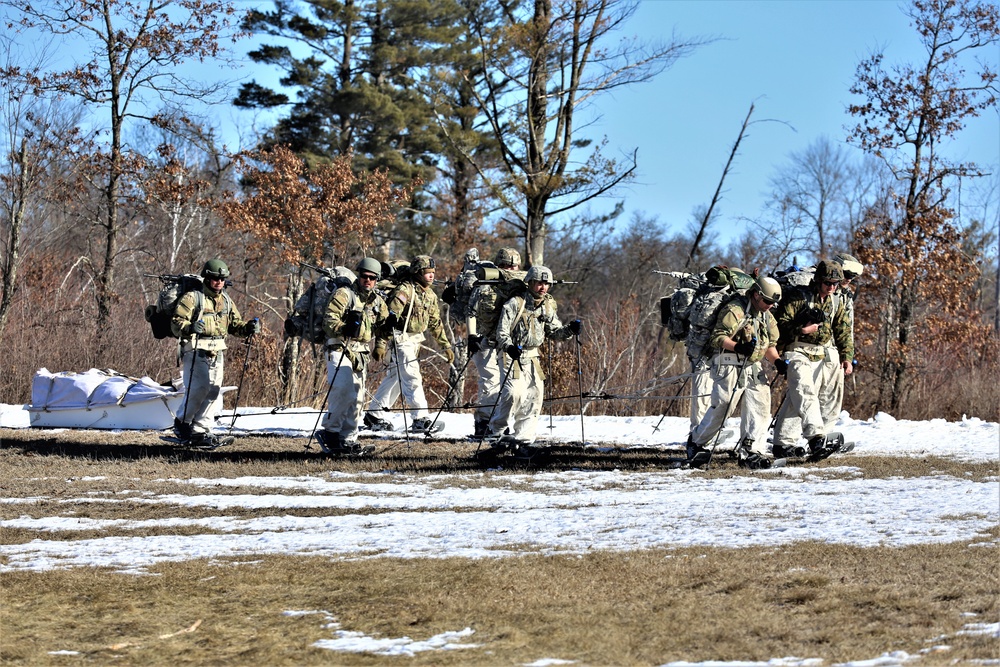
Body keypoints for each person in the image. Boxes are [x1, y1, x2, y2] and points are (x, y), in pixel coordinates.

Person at [686, 276, 784, 469]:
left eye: (773, 303)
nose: (770, 306)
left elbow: (770, 345)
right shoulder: (735, 310)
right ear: (756, 295)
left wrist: (778, 362)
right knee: (723, 406)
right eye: (767, 301)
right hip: (728, 361)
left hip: (752, 365)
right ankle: (696, 442)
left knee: (761, 405)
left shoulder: (766, 315)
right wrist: (738, 347)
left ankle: (751, 452)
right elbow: (718, 338)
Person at [486, 265, 580, 451]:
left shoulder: (546, 306)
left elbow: (554, 332)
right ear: (530, 283)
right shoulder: (515, 303)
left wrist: (570, 330)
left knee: (534, 396)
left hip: (533, 356)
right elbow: (501, 332)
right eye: (539, 283)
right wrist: (509, 346)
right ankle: (497, 430)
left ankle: (523, 437)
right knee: (514, 393)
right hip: (511, 355)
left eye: (546, 284)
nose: (543, 287)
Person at [771, 259, 855, 460]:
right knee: (803, 391)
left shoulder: (836, 300)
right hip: (797, 349)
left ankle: (784, 442)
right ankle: (816, 438)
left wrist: (847, 357)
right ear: (818, 281)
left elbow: (842, 329)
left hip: (824, 352)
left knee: (820, 397)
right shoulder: (798, 297)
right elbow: (779, 325)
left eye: (836, 283)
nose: (832, 287)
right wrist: (801, 329)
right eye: (828, 283)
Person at [171, 259, 259, 447]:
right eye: (215, 278)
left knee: (213, 392)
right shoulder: (193, 298)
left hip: (217, 351)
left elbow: (235, 325)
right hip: (195, 349)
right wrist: (190, 327)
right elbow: (176, 323)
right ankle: (182, 423)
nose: (219, 282)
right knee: (198, 388)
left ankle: (200, 431)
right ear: (207, 278)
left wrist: (248, 327)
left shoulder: (226, 300)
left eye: (222, 279)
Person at [365, 254, 455, 433]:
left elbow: (435, 323)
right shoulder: (404, 291)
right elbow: (387, 320)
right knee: (412, 377)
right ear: (418, 273)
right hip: (401, 339)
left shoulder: (429, 295)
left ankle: (374, 414)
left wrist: (445, 346)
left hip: (415, 340)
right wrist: (380, 344)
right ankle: (420, 418)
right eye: (427, 273)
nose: (431, 276)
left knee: (396, 379)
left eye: (433, 272)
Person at [314, 257, 390, 454]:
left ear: (377, 279)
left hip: (361, 352)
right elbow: (329, 321)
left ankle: (348, 437)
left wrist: (381, 345)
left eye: (372, 278)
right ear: (359, 275)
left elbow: (383, 327)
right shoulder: (344, 294)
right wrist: (345, 327)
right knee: (343, 389)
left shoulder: (378, 301)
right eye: (364, 276)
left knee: (357, 397)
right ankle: (330, 432)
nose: (368, 281)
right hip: (339, 347)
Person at [466, 247, 525, 437]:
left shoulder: (519, 287)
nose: (511, 269)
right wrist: (471, 336)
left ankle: (499, 421)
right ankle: (483, 421)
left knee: (508, 384)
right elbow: (471, 312)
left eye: (514, 266)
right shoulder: (484, 284)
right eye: (507, 266)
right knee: (489, 382)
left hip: (507, 343)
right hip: (484, 340)